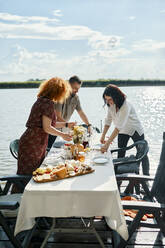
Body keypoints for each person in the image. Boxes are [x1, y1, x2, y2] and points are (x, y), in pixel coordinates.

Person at [17, 77, 74, 176]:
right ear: (58, 91)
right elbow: (47, 128)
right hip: (33, 144)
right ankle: (21, 191)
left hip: (33, 141)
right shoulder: (48, 103)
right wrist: (63, 135)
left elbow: (49, 124)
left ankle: (22, 191)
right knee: (28, 175)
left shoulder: (42, 100)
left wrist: (66, 124)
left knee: (32, 173)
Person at [100, 84, 150, 176]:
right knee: (120, 154)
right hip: (122, 131)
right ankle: (119, 181)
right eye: (106, 99)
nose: (108, 101)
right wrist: (103, 135)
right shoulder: (110, 104)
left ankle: (146, 177)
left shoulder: (125, 105)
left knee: (143, 155)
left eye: (110, 99)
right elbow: (108, 120)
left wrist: (107, 144)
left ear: (116, 97)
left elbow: (118, 126)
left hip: (135, 129)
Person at [47, 75, 92, 152]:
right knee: (52, 155)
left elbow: (81, 113)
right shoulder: (60, 96)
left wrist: (89, 125)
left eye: (78, 89)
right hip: (53, 131)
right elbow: (57, 117)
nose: (77, 91)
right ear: (68, 85)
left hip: (64, 131)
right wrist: (71, 127)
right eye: (75, 88)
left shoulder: (76, 98)